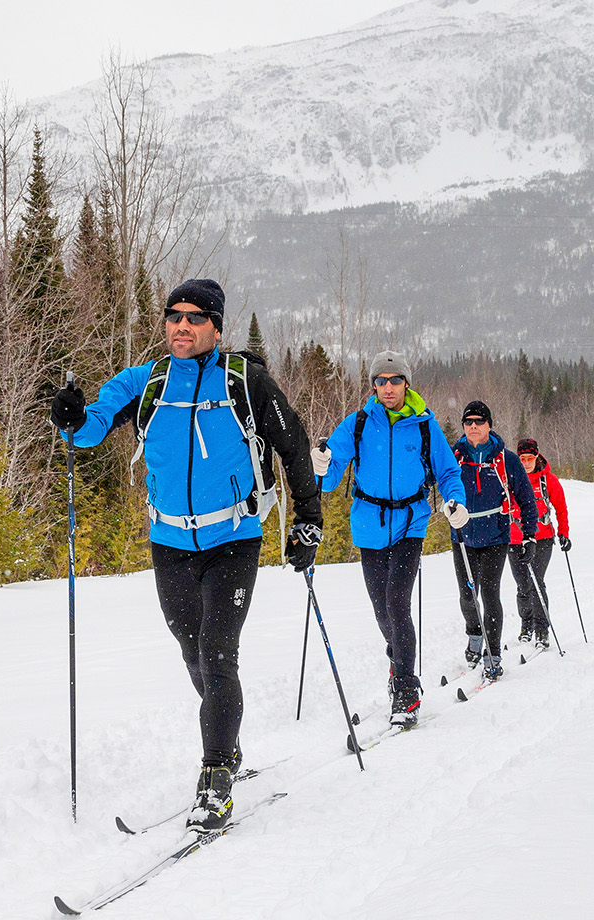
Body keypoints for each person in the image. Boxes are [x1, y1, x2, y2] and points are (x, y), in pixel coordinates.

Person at [49, 278, 321, 832]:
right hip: (169, 542)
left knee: (219, 652)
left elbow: (293, 444)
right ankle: (227, 736)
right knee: (193, 652)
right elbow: (91, 429)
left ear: (216, 328)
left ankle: (216, 776)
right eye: (174, 315)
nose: (181, 325)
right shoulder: (146, 382)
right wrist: (72, 419)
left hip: (234, 538)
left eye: (195, 318)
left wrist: (308, 519)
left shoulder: (245, 381)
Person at [311, 350, 468, 729]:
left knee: (397, 602)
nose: (387, 387)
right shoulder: (359, 424)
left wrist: (455, 501)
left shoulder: (425, 426)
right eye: (380, 381)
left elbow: (448, 472)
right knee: (383, 610)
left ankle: (405, 688)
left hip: (411, 523)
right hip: (368, 525)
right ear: (373, 386)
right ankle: (398, 659)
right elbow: (329, 477)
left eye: (394, 380)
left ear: (406, 384)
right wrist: (319, 466)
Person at [448, 400, 539, 682]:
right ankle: (474, 636)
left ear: (489, 425)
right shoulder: (454, 456)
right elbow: (433, 480)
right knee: (467, 597)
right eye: (468, 422)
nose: (473, 426)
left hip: (495, 537)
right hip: (462, 537)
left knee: (489, 595)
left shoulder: (506, 459)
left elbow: (526, 498)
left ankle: (493, 655)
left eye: (479, 421)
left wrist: (529, 535)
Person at [510, 438, 571, 651]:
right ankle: (526, 626)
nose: (526, 463)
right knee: (522, 585)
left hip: (542, 537)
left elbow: (561, 508)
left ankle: (542, 629)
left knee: (536, 581)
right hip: (514, 539)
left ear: (537, 457)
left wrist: (564, 533)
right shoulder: (510, 479)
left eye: (530, 458)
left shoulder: (548, 481)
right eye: (522, 459)